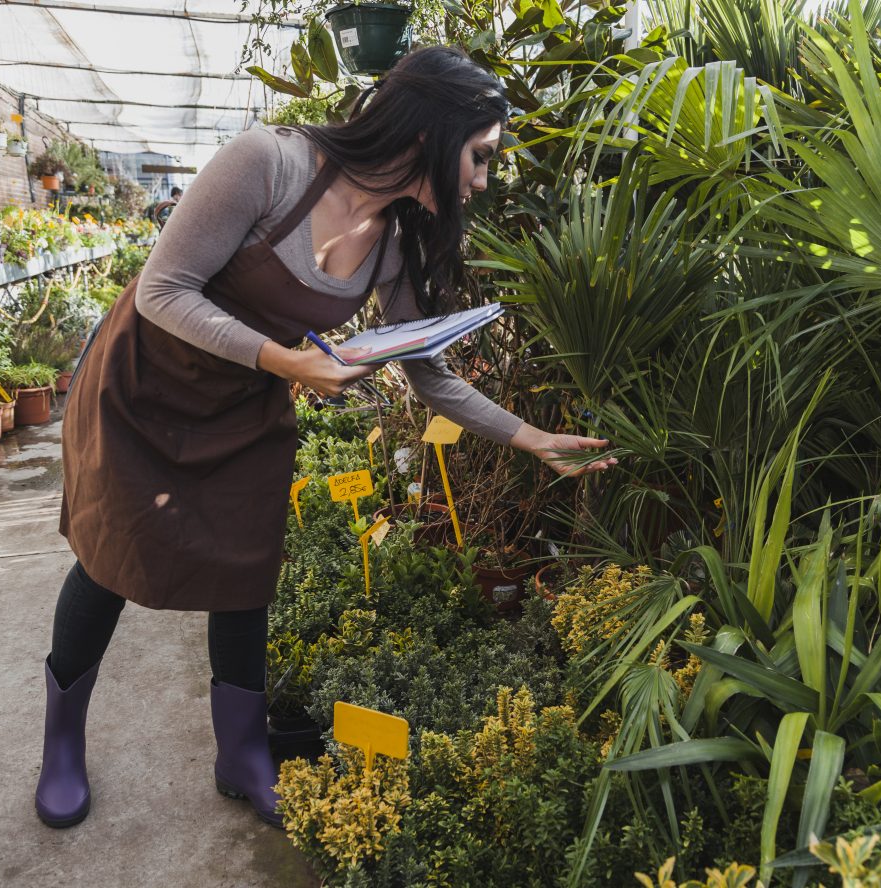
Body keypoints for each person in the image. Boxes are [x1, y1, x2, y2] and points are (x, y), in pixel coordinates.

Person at [37, 46, 615, 831]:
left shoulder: (395, 239)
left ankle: (242, 757)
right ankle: (63, 742)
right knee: (109, 557)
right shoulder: (268, 165)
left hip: (244, 404)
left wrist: (529, 437)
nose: (480, 180)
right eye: (478, 156)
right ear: (430, 134)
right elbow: (162, 290)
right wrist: (287, 361)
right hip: (146, 385)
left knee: (246, 572)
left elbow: (430, 374)